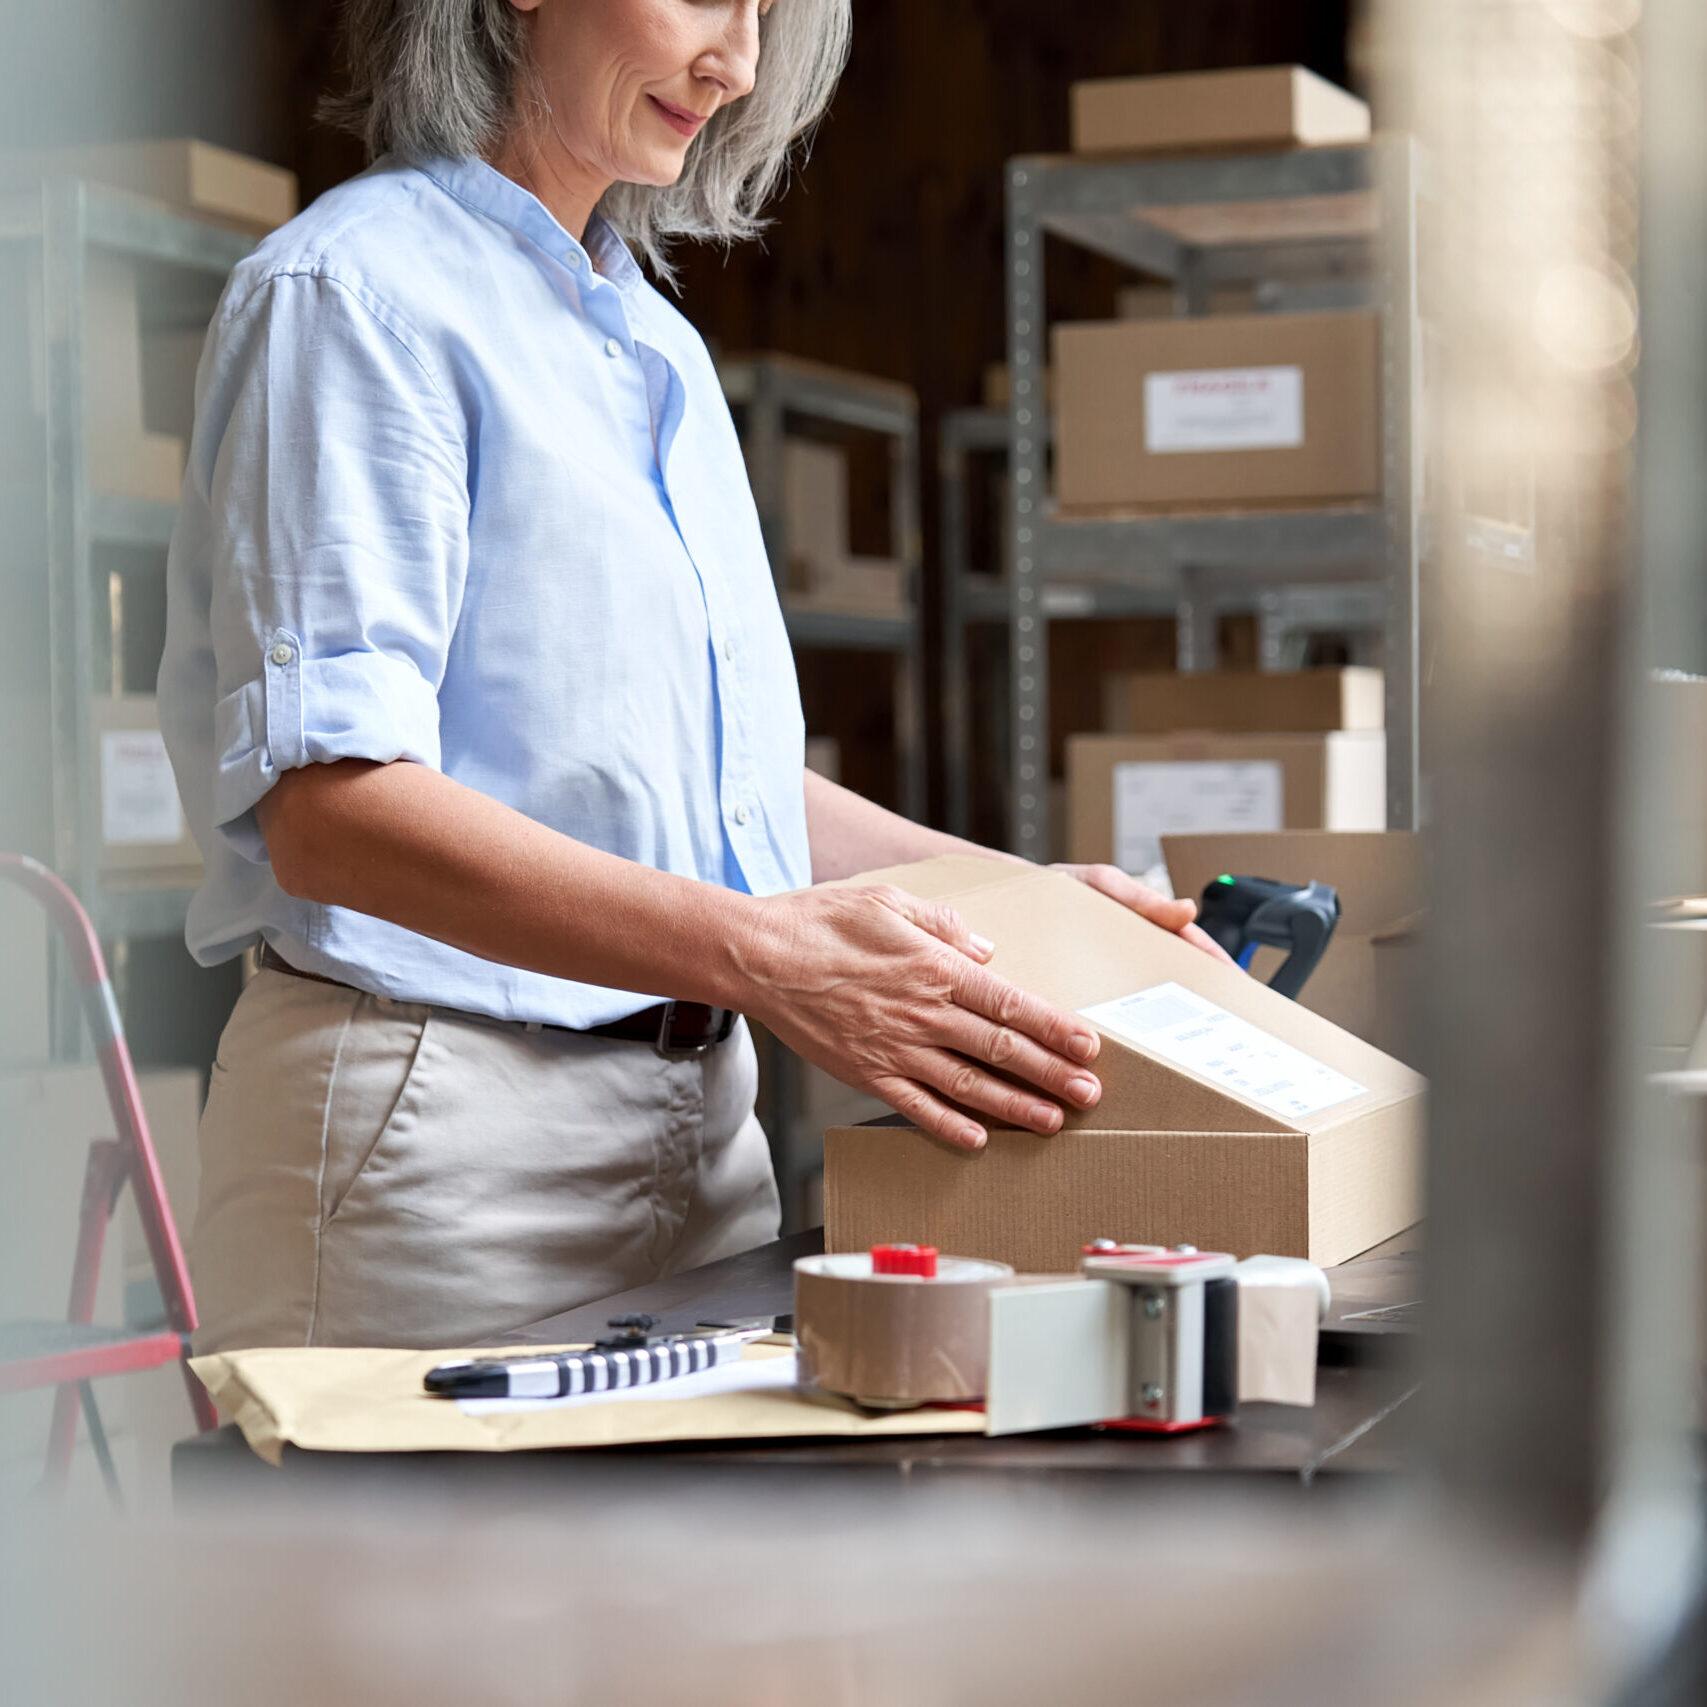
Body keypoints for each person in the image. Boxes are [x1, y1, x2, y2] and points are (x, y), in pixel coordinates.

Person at [160, 0, 1227, 1354]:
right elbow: (332, 809)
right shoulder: (353, 298)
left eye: (770, 11)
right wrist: (765, 958)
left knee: (685, 1573)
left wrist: (1010, 907)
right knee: (440, 1576)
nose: (738, 60)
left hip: (702, 1126)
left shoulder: (649, 343)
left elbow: (715, 790)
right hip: (439, 1136)